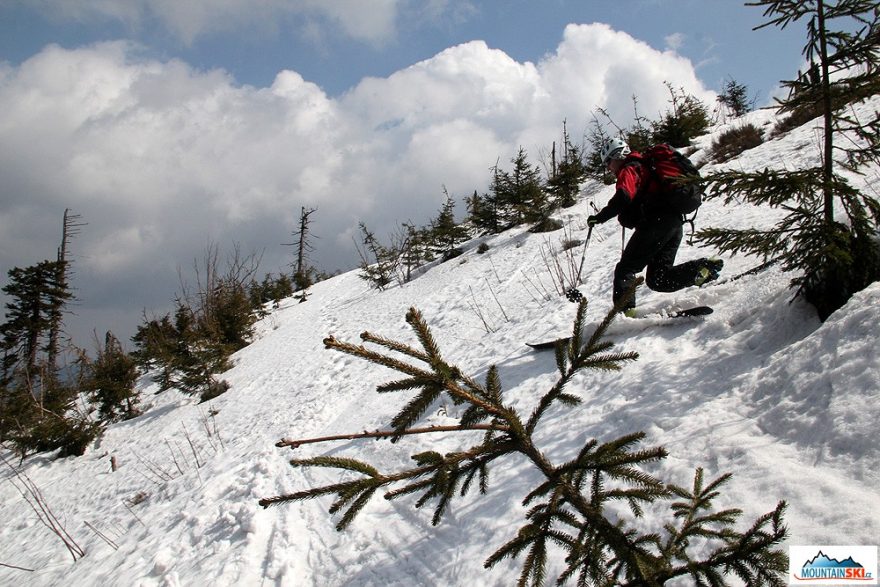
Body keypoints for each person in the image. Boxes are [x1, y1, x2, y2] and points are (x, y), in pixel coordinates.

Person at [587, 138, 723, 315]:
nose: (608, 168)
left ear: (617, 156)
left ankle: (624, 314)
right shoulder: (645, 168)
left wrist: (600, 217)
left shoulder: (630, 168)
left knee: (625, 269)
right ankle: (702, 269)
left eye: (608, 162)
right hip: (674, 224)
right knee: (658, 279)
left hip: (656, 224)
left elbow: (624, 196)